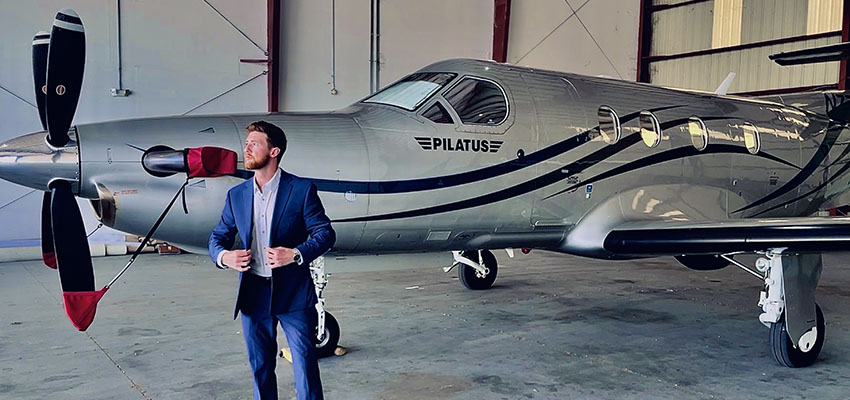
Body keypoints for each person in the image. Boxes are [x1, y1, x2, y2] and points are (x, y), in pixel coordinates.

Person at [209, 120, 335, 400]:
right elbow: (217, 237)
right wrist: (224, 256)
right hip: (253, 293)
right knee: (261, 366)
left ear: (274, 151)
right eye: (247, 143)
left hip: (293, 294)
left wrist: (296, 253)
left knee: (305, 365)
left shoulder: (301, 190)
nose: (247, 148)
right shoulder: (237, 195)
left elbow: (325, 233)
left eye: (255, 143)